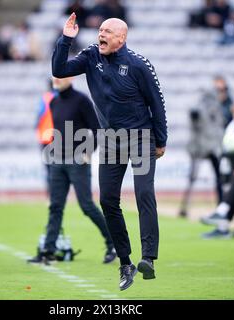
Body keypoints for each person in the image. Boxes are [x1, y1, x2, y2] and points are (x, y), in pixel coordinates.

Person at [52, 13, 168, 290]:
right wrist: (66, 39)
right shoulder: (91, 56)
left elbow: (158, 104)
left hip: (141, 137)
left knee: (143, 193)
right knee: (107, 200)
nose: (100, 34)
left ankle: (148, 258)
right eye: (99, 30)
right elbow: (59, 70)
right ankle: (125, 262)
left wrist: (161, 141)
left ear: (121, 38)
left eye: (107, 31)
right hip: (111, 140)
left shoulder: (139, 65)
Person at [28, 76, 116, 265]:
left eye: (60, 76)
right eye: (54, 76)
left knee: (86, 206)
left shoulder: (82, 100)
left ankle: (113, 243)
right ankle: (49, 250)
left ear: (71, 78)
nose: (56, 80)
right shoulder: (53, 102)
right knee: (55, 206)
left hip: (78, 161)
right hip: (57, 161)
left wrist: (88, 152)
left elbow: (98, 129)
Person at [179, 91, 225, 217]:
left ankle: (221, 207)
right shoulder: (204, 110)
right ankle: (184, 208)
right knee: (193, 178)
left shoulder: (215, 112)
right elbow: (194, 113)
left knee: (218, 179)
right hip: (201, 147)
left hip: (210, 147)